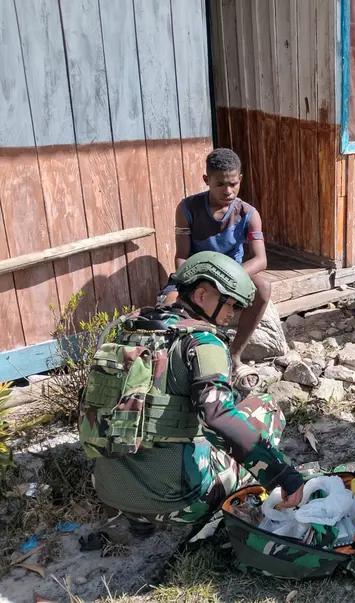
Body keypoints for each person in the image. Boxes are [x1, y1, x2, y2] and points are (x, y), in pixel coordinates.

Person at [87, 251, 304, 527]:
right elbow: (218, 419)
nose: (233, 314)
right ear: (201, 296)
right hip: (177, 503)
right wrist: (283, 475)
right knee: (265, 409)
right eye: (230, 305)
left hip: (109, 491)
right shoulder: (203, 343)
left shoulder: (121, 329)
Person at [160, 148, 269, 392]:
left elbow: (260, 260)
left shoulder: (249, 214)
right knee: (169, 303)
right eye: (220, 184)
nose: (228, 191)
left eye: (233, 183)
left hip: (234, 278)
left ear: (240, 179)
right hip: (197, 277)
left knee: (264, 286)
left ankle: (234, 355)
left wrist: (229, 279)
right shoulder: (187, 208)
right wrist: (191, 281)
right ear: (206, 180)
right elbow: (181, 256)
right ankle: (173, 366)